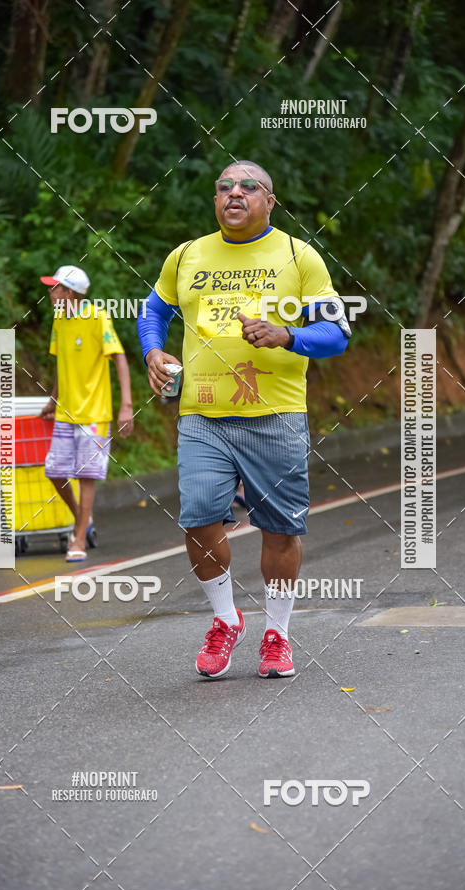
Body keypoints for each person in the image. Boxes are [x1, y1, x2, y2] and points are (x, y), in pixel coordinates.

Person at [138, 160, 351, 679]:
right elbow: (154, 310)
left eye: (248, 186)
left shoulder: (300, 256)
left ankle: (277, 634)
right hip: (203, 414)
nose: (235, 193)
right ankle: (225, 619)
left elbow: (338, 334)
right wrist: (152, 351)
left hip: (274, 415)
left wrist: (287, 335)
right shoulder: (187, 255)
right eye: (224, 187)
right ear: (215, 200)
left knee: (279, 528)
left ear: (269, 200)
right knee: (198, 517)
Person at [39, 265, 134, 562]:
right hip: (66, 412)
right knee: (54, 471)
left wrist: (127, 405)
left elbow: (119, 358)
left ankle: (79, 537)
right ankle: (84, 518)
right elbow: (62, 364)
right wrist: (53, 400)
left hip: (94, 413)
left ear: (69, 292)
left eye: (55, 288)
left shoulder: (97, 317)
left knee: (86, 475)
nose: (50, 292)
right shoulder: (59, 321)